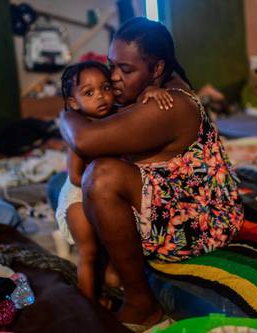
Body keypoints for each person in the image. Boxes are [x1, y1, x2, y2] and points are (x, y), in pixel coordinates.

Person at [60, 17, 244, 330]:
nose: (113, 78)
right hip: (180, 202)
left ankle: (141, 303)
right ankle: (113, 276)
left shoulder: (168, 104)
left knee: (101, 178)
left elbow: (83, 139)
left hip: (200, 223)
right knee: (87, 187)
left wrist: (66, 112)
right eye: (111, 65)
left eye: (126, 70)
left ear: (157, 69)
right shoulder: (152, 91)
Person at [55, 61, 173, 304]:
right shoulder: (79, 129)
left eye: (105, 88)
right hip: (78, 195)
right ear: (74, 103)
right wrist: (100, 176)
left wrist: (151, 92)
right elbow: (76, 176)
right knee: (88, 253)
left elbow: (139, 109)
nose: (101, 97)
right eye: (89, 93)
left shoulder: (116, 114)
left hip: (104, 191)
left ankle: (109, 288)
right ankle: (88, 305)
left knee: (112, 245)